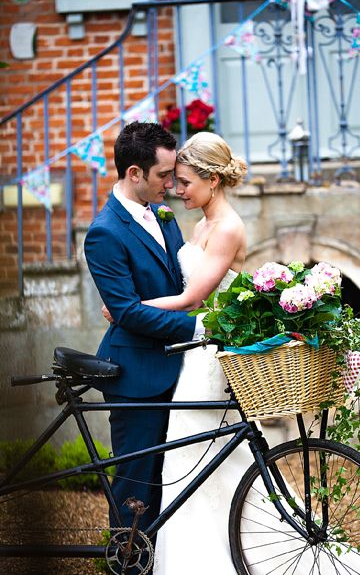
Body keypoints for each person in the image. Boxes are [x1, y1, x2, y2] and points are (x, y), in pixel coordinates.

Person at [84, 122, 198, 534]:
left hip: (180, 370)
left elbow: (184, 282)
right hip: (138, 378)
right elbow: (129, 314)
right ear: (134, 173)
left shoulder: (163, 214)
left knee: (177, 482)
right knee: (136, 489)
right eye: (164, 175)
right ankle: (127, 562)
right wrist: (198, 326)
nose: (172, 183)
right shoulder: (104, 233)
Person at [145, 131, 248, 574]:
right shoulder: (201, 223)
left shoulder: (227, 227)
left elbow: (193, 299)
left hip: (208, 354)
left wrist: (133, 308)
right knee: (184, 456)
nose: (177, 189)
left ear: (212, 179)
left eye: (185, 181)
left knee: (205, 453)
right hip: (190, 349)